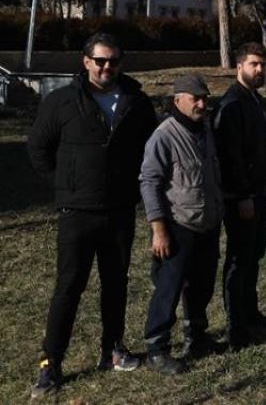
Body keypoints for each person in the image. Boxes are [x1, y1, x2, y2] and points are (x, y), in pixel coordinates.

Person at [28, 33, 158, 397]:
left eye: (113, 61)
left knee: (116, 284)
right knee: (69, 287)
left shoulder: (135, 102)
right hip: (77, 212)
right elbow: (38, 147)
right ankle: (51, 363)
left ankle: (112, 349)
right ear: (86, 62)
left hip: (118, 211)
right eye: (100, 60)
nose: (106, 67)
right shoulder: (62, 101)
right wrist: (65, 184)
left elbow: (150, 150)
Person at [138, 74, 222, 375]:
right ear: (177, 100)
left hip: (208, 222)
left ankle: (196, 336)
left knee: (202, 284)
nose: (201, 104)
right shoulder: (164, 135)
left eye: (204, 98)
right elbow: (149, 182)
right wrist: (158, 229)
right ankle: (157, 347)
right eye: (195, 98)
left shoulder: (205, 130)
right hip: (177, 224)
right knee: (169, 288)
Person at [216, 42, 266, 348]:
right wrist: (242, 196)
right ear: (239, 66)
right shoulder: (233, 104)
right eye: (254, 64)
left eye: (263, 64)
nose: (260, 70)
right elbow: (232, 156)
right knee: (240, 259)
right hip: (244, 197)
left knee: (254, 256)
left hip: (261, 194)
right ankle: (235, 325)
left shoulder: (254, 100)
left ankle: (250, 314)